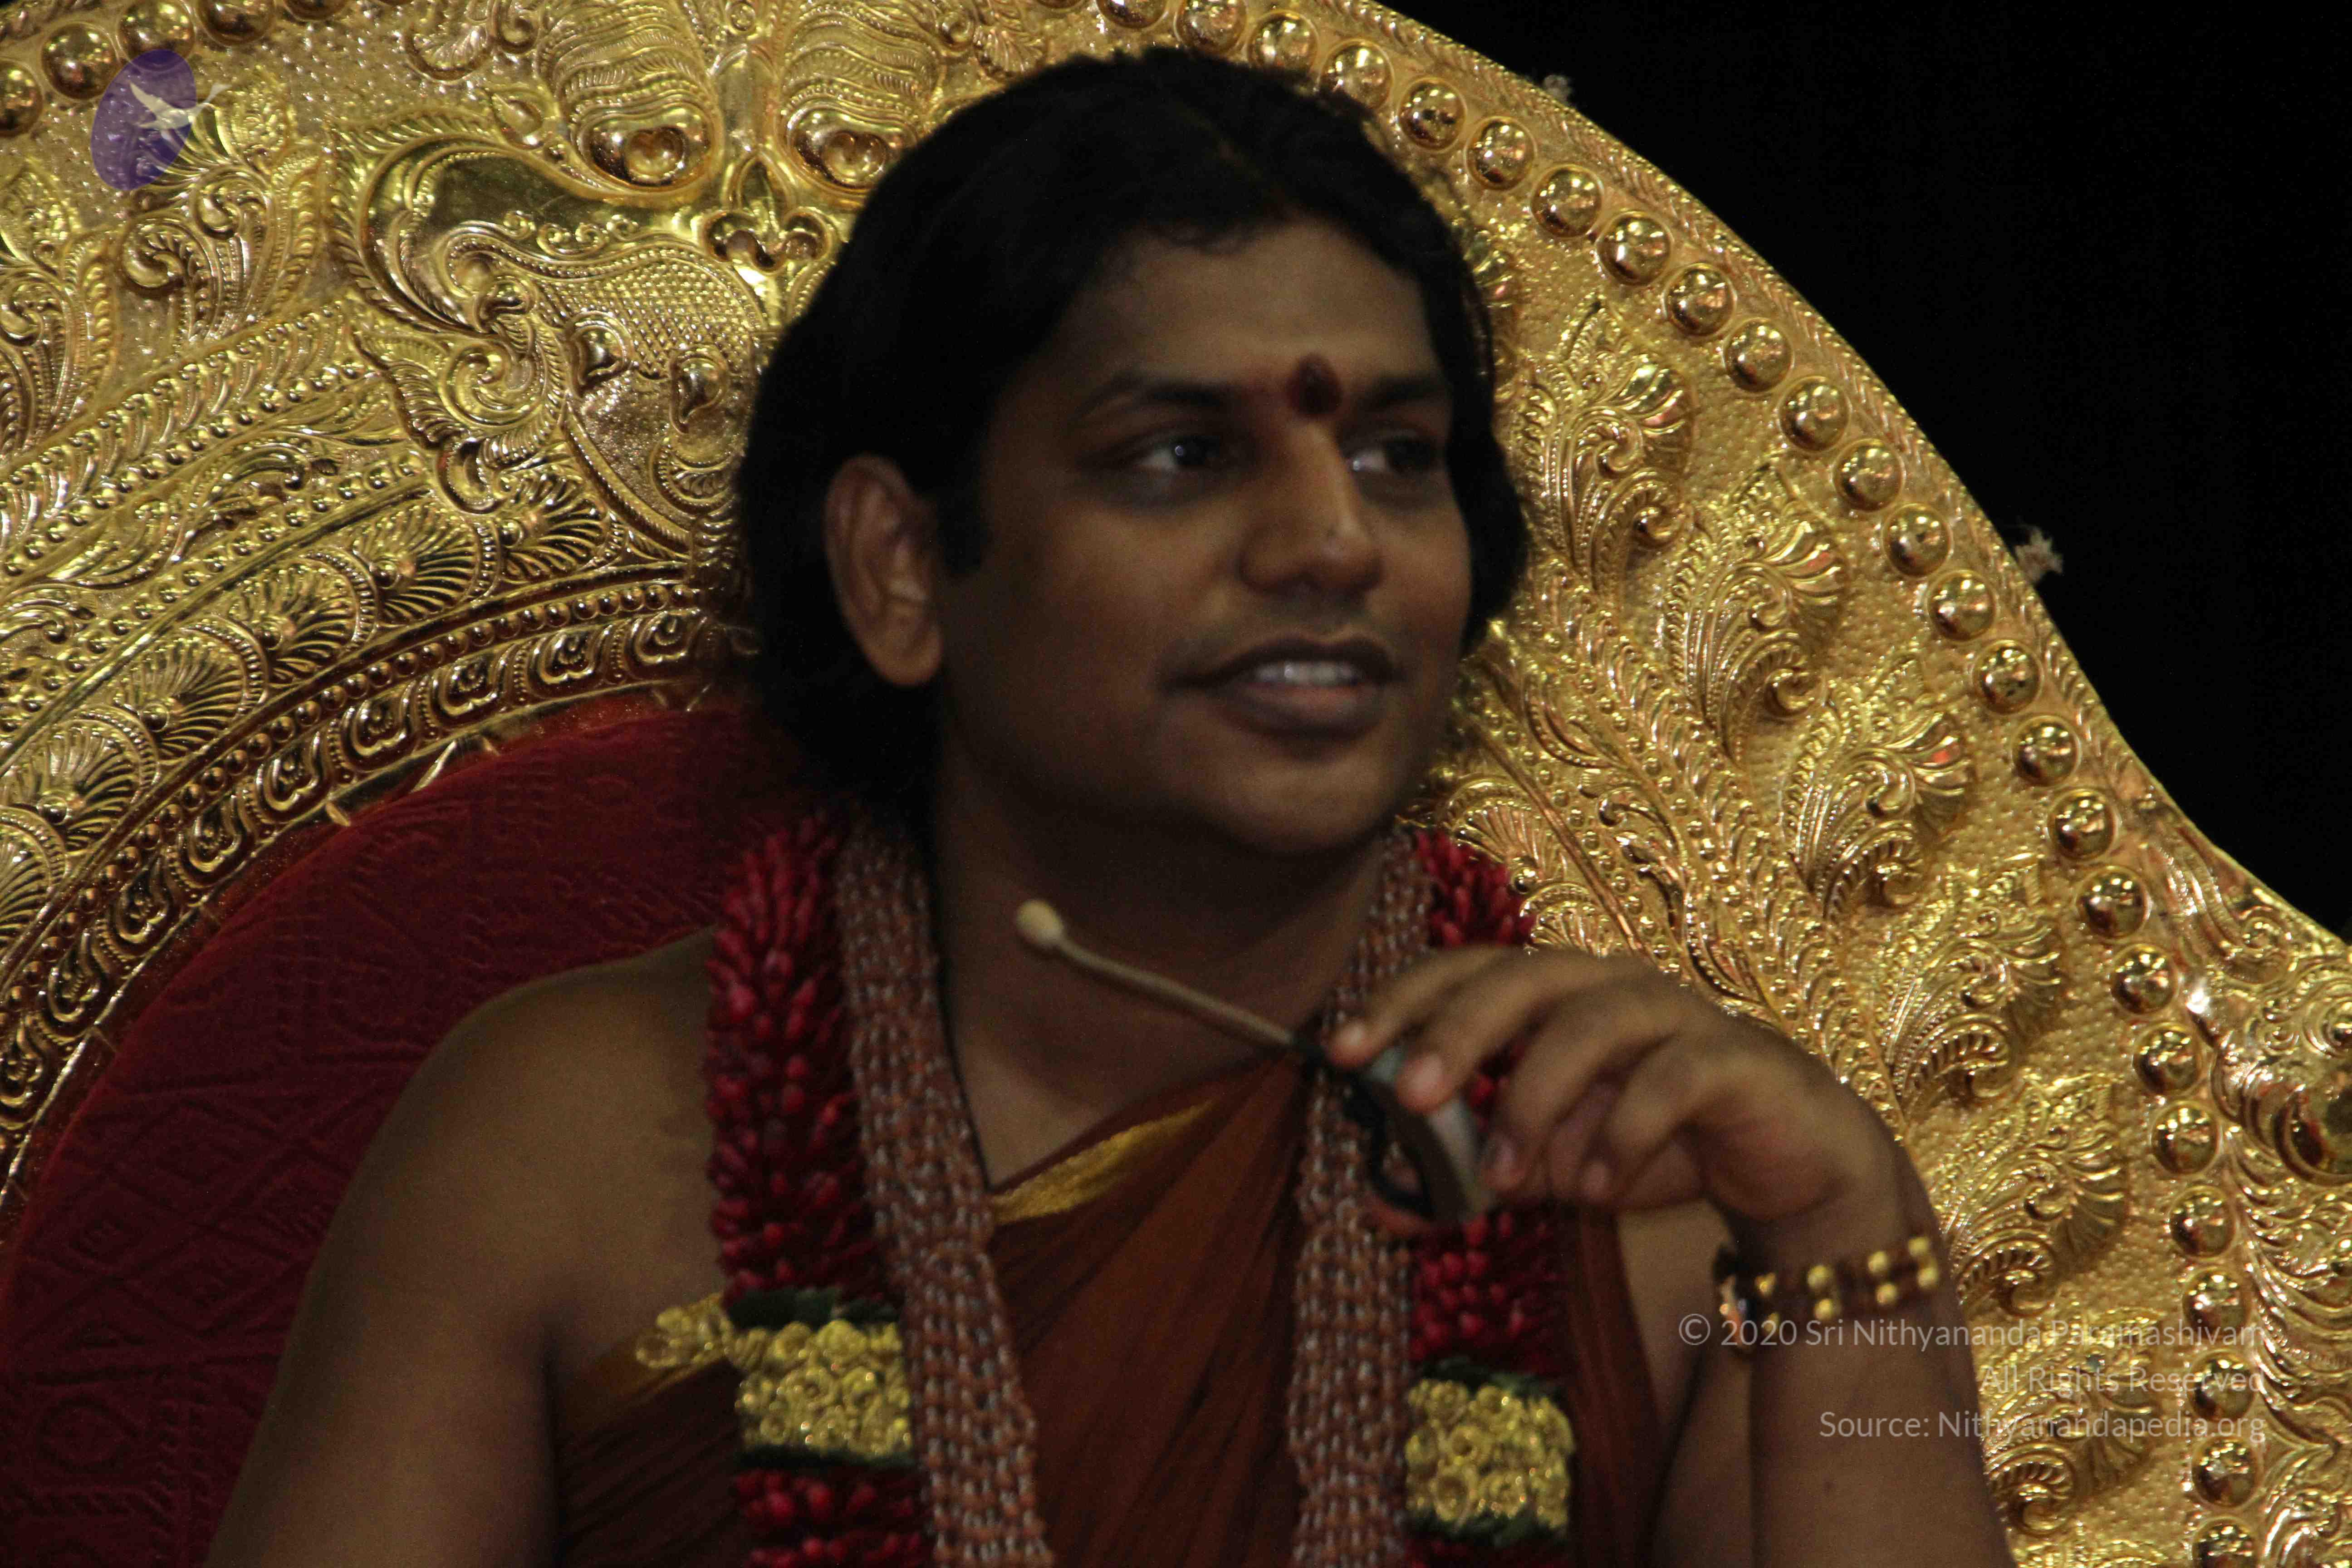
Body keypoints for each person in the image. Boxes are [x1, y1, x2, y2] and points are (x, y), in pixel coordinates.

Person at [204, 46, 2015, 1568]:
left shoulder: (1663, 1190)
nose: (1333, 541)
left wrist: (1852, 1249)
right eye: (1183, 455)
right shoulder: (564, 1148)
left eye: (1398, 456)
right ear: (902, 566)